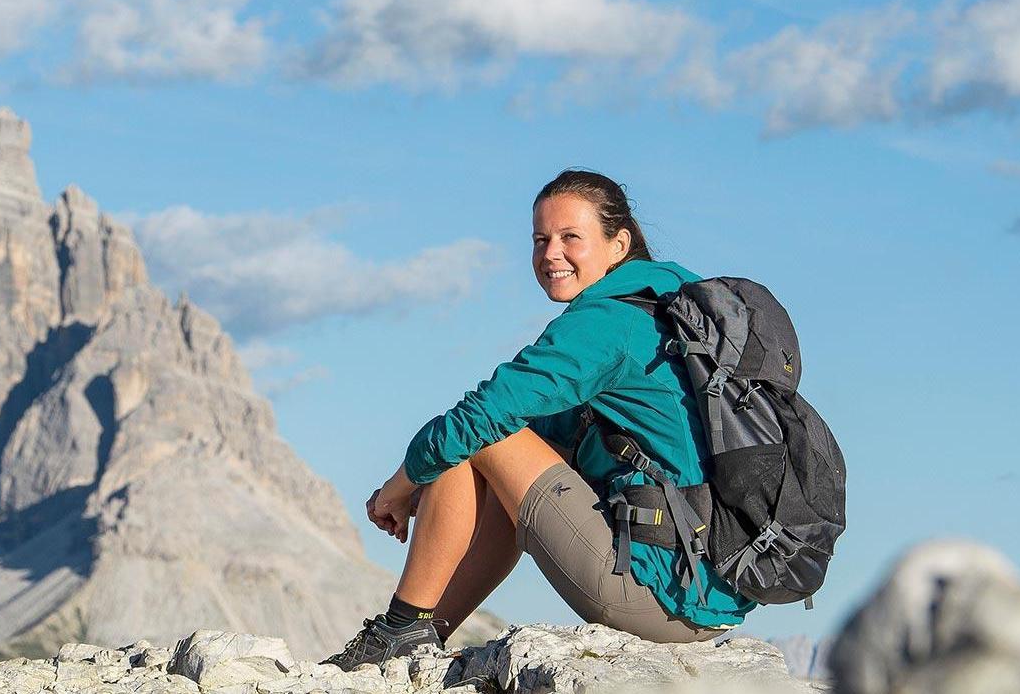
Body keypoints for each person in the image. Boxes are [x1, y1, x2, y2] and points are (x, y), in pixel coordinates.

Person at [323, 169, 756, 670]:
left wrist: (399, 487)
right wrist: (430, 488)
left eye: (571, 237)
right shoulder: (666, 307)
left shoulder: (606, 324)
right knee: (477, 445)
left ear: (619, 245)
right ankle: (419, 638)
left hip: (661, 592)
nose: (551, 253)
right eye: (540, 239)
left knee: (481, 432)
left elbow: (483, 417)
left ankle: (400, 631)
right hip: (705, 588)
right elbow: (547, 439)